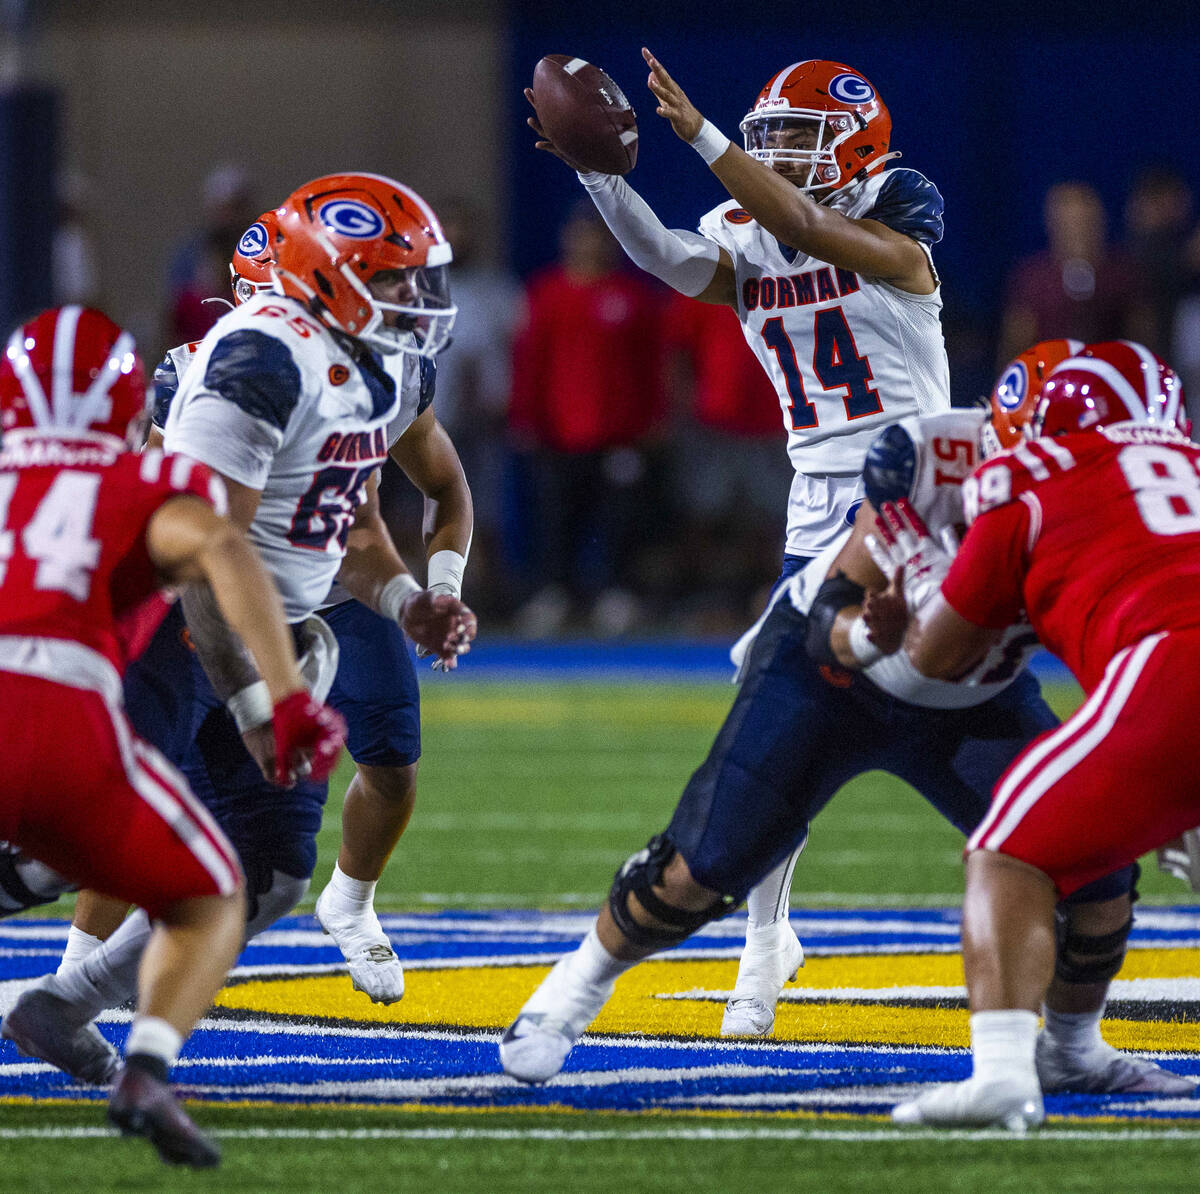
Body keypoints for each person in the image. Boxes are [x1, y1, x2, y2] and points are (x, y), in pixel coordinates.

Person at [499, 342, 1188, 1098]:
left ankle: (1070, 1049)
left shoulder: (1126, 506)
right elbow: (833, 609)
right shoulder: (937, 460)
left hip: (977, 693)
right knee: (701, 867)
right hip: (834, 675)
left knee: (1099, 870)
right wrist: (872, 635)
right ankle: (572, 991)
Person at [2, 173, 477, 1076]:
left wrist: (409, 598)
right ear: (330, 282)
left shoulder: (385, 363)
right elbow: (201, 563)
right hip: (171, 629)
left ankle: (61, 1006)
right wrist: (266, 703)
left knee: (270, 874)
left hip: (279, 631)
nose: (417, 301)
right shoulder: (257, 362)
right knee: (56, 844)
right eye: (394, 279)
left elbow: (347, 529)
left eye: (420, 278)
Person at [528, 49, 950, 963]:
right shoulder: (754, 231)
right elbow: (674, 259)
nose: (787, 154)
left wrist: (703, 135)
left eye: (803, 137)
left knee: (902, 685)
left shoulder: (895, 224)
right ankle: (767, 934)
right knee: (789, 695)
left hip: (912, 486)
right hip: (817, 495)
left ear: (857, 145)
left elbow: (798, 215)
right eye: (776, 140)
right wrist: (602, 182)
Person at [0, 305, 345, 1166]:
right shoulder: (142, 483)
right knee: (211, 895)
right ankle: (148, 1068)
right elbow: (224, 554)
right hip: (63, 718)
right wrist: (286, 698)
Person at [886, 341, 1200, 1129]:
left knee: (1008, 850)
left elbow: (936, 653)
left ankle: (1000, 1073)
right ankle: (1068, 1050)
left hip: (1175, 668)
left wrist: (916, 569)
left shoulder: (1025, 476)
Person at [508, 205, 666, 634]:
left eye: (597, 237)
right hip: (560, 434)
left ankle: (617, 595)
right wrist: (524, 420)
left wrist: (654, 420)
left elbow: (651, 365)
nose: (589, 245)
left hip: (620, 435)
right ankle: (556, 595)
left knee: (619, 520)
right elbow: (529, 362)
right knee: (558, 518)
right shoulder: (547, 294)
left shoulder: (632, 296)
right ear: (568, 242)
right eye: (580, 237)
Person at [997, 182, 1151, 367]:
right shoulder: (1033, 277)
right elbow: (1015, 345)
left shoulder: (1122, 273)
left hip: (1111, 382)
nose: (1076, 227)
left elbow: (1143, 342)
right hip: (1049, 384)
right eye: (1068, 219)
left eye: (1083, 219)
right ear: (1052, 221)